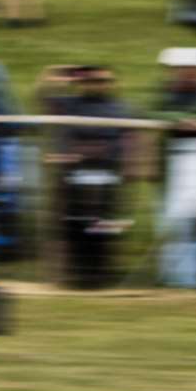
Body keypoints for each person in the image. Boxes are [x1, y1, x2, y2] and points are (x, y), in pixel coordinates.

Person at [58, 66, 133, 289]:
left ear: (110, 83)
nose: (96, 85)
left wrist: (92, 150)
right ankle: (79, 274)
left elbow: (121, 142)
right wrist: (58, 75)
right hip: (76, 176)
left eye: (102, 80)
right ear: (81, 82)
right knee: (76, 226)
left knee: (104, 226)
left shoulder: (120, 108)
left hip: (107, 175)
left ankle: (100, 274)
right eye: (91, 80)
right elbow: (44, 101)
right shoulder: (70, 105)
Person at [153, 47, 196, 288]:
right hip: (171, 175)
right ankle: (174, 283)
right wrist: (181, 120)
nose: (187, 75)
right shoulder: (164, 96)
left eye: (193, 70)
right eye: (182, 70)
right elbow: (154, 113)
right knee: (172, 228)